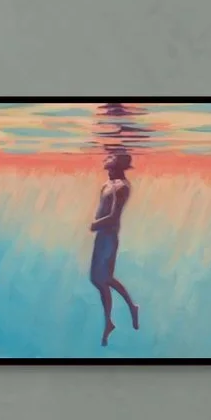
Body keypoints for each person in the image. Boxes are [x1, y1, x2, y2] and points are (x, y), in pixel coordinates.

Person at [88, 145, 141, 345]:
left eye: (110, 156)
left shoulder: (122, 187)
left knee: (104, 278)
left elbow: (113, 217)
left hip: (108, 237)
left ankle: (131, 306)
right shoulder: (106, 185)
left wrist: (96, 224)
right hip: (101, 236)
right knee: (97, 279)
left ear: (117, 162)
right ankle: (108, 321)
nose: (106, 157)